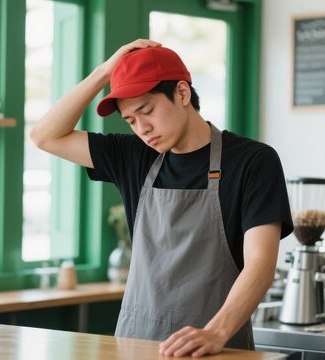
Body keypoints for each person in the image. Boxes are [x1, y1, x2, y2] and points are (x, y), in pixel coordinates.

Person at [30, 39, 293, 357]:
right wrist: (105, 71)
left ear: (182, 93)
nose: (142, 128)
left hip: (213, 350)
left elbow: (260, 264)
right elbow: (45, 135)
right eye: (130, 121)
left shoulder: (253, 161)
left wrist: (215, 332)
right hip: (134, 345)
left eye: (147, 111)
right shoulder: (132, 157)